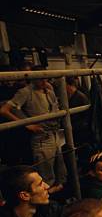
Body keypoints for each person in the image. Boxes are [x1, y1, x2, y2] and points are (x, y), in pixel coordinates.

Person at [0, 66, 66, 194]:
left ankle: (58, 199)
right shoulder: (25, 92)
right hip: (41, 137)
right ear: (33, 78)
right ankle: (45, 202)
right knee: (46, 172)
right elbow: (4, 110)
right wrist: (27, 124)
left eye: (45, 78)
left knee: (60, 170)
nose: (44, 81)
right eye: (40, 78)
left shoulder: (49, 91)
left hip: (55, 133)